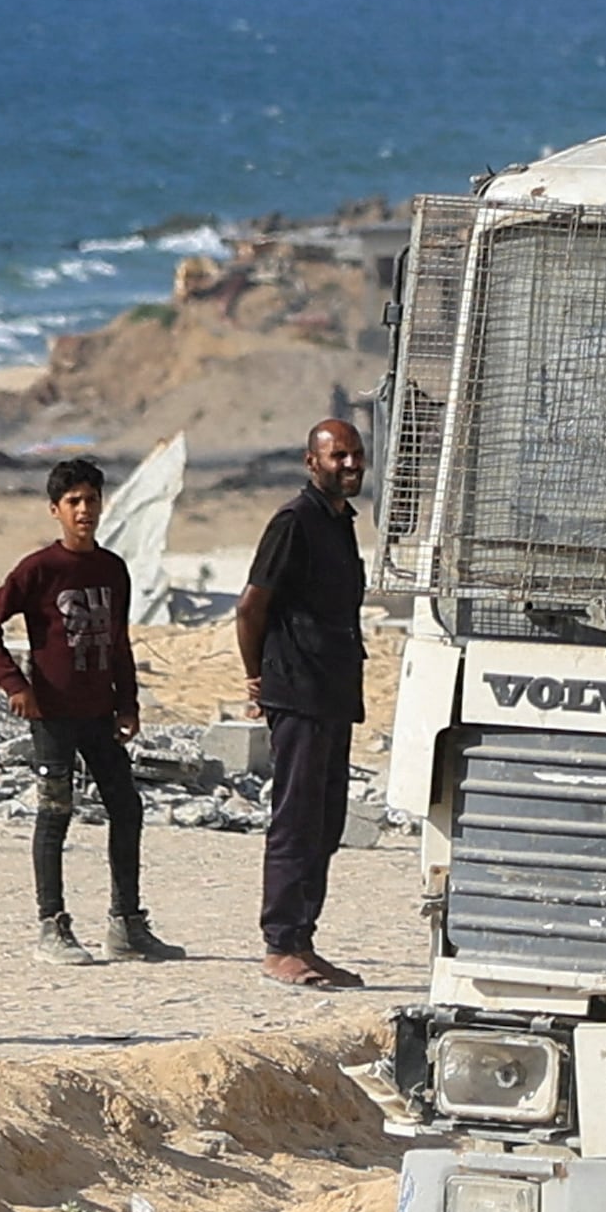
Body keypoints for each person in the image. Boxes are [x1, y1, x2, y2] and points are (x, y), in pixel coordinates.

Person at [0, 455, 180, 964]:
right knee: (55, 813)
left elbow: (120, 641)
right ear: (55, 510)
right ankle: (52, 926)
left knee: (127, 808)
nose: (84, 510)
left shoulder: (112, 569)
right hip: (52, 715)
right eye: (74, 502)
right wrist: (15, 685)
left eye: (92, 500)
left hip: (100, 714)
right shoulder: (39, 570)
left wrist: (127, 702)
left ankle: (126, 924)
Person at [239, 417, 373, 990]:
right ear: (311, 461)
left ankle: (305, 938)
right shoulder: (294, 522)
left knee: (326, 820)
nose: (349, 464)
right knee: (294, 820)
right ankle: (281, 943)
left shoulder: (339, 523)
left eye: (356, 455)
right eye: (337, 456)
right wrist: (256, 679)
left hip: (334, 692)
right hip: (296, 689)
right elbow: (250, 607)